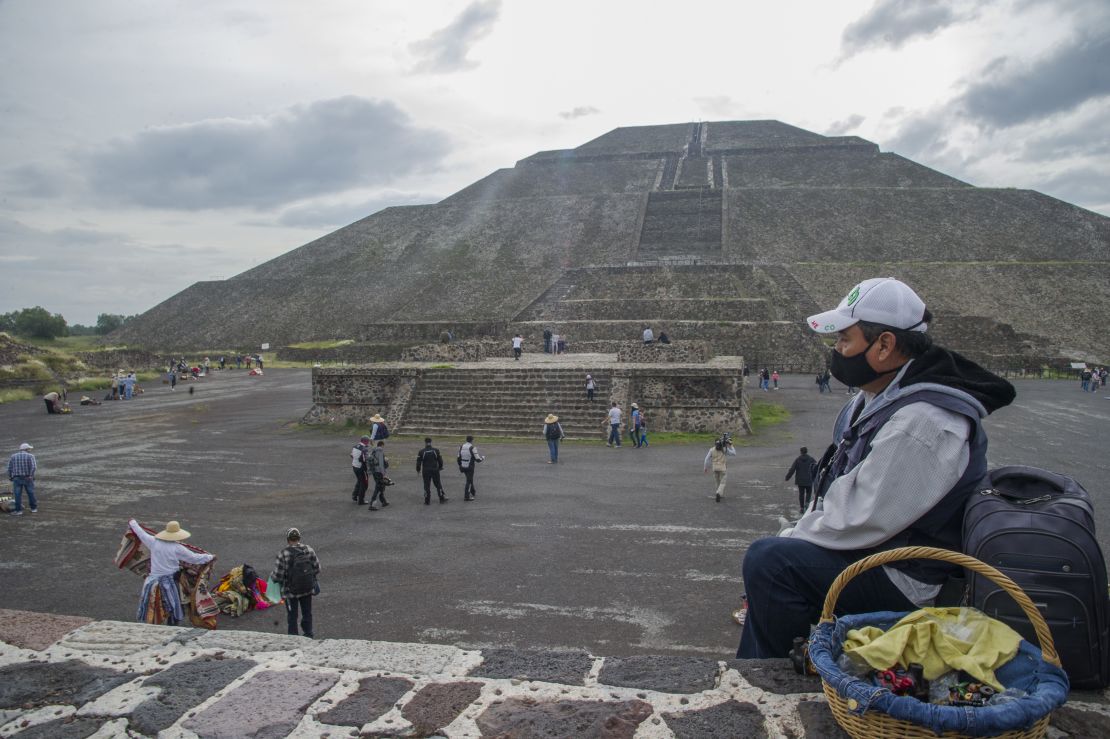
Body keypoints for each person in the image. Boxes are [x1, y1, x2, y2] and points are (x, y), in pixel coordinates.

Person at [736, 277, 1016, 659]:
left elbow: (860, 517)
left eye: (844, 340)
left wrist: (790, 540)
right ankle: (762, 665)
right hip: (879, 553)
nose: (837, 350)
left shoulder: (925, 422)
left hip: (910, 580)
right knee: (776, 561)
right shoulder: (878, 397)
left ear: (884, 345)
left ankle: (784, 676)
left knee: (771, 564)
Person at [127, 518, 214, 625]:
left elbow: (140, 533)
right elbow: (194, 558)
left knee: (150, 604)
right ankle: (171, 623)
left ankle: (151, 622)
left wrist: (133, 523)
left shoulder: (153, 542)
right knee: (173, 605)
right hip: (170, 582)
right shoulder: (177, 548)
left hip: (152, 581)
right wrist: (209, 557)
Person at [270, 527, 320, 638]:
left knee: (292, 616)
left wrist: (272, 577)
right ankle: (308, 634)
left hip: (290, 592)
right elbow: (317, 568)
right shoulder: (309, 550)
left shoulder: (283, 554)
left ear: (288, 539)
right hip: (307, 589)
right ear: (299, 538)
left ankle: (293, 637)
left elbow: (277, 576)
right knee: (307, 613)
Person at [703, 433, 736, 502]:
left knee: (717, 481)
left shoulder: (711, 450)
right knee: (723, 482)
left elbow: (706, 459)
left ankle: (719, 493)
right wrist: (731, 445)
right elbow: (734, 453)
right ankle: (719, 493)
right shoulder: (724, 449)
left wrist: (705, 467)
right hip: (722, 468)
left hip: (715, 468)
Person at [7, 443, 37, 516]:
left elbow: (9, 468)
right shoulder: (30, 456)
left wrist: (10, 477)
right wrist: (31, 475)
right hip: (28, 478)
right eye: (29, 449)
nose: (30, 450)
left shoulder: (13, 456)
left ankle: (19, 511)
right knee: (31, 493)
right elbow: (34, 467)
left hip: (16, 478)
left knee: (17, 495)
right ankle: (34, 509)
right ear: (26, 449)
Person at [416, 437, 448, 505]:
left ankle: (427, 500)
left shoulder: (421, 451)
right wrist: (440, 467)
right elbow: (440, 460)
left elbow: (418, 463)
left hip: (426, 470)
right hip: (434, 469)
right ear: (431, 442)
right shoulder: (436, 450)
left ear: (425, 442)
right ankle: (441, 498)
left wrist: (418, 470)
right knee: (438, 484)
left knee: (426, 485)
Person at [785, 447, 817, 514]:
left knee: (801, 494)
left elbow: (792, 469)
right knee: (808, 493)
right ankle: (807, 504)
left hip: (800, 480)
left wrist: (787, 477)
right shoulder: (811, 459)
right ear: (806, 451)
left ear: (801, 452)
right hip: (809, 480)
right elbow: (816, 468)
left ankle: (802, 508)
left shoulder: (797, 460)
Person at [458, 435, 484, 500]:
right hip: (470, 467)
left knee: (469, 479)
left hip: (463, 466)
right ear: (472, 440)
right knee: (469, 481)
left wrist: (460, 465)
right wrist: (482, 458)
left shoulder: (461, 447)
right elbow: (478, 459)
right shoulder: (472, 448)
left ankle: (473, 491)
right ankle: (466, 496)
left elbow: (458, 458)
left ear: (466, 440)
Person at [367, 440, 389, 510]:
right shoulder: (380, 451)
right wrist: (383, 473)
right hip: (378, 472)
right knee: (378, 487)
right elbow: (381, 463)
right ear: (382, 445)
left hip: (374, 471)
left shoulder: (374, 450)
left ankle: (383, 501)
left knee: (381, 486)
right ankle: (372, 505)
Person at [351, 435, 370, 505]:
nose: (368, 443)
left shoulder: (355, 446)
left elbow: (351, 455)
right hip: (361, 468)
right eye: (368, 441)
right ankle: (361, 500)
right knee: (364, 484)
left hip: (354, 466)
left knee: (359, 481)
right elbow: (365, 459)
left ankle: (354, 495)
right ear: (365, 441)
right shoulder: (364, 449)